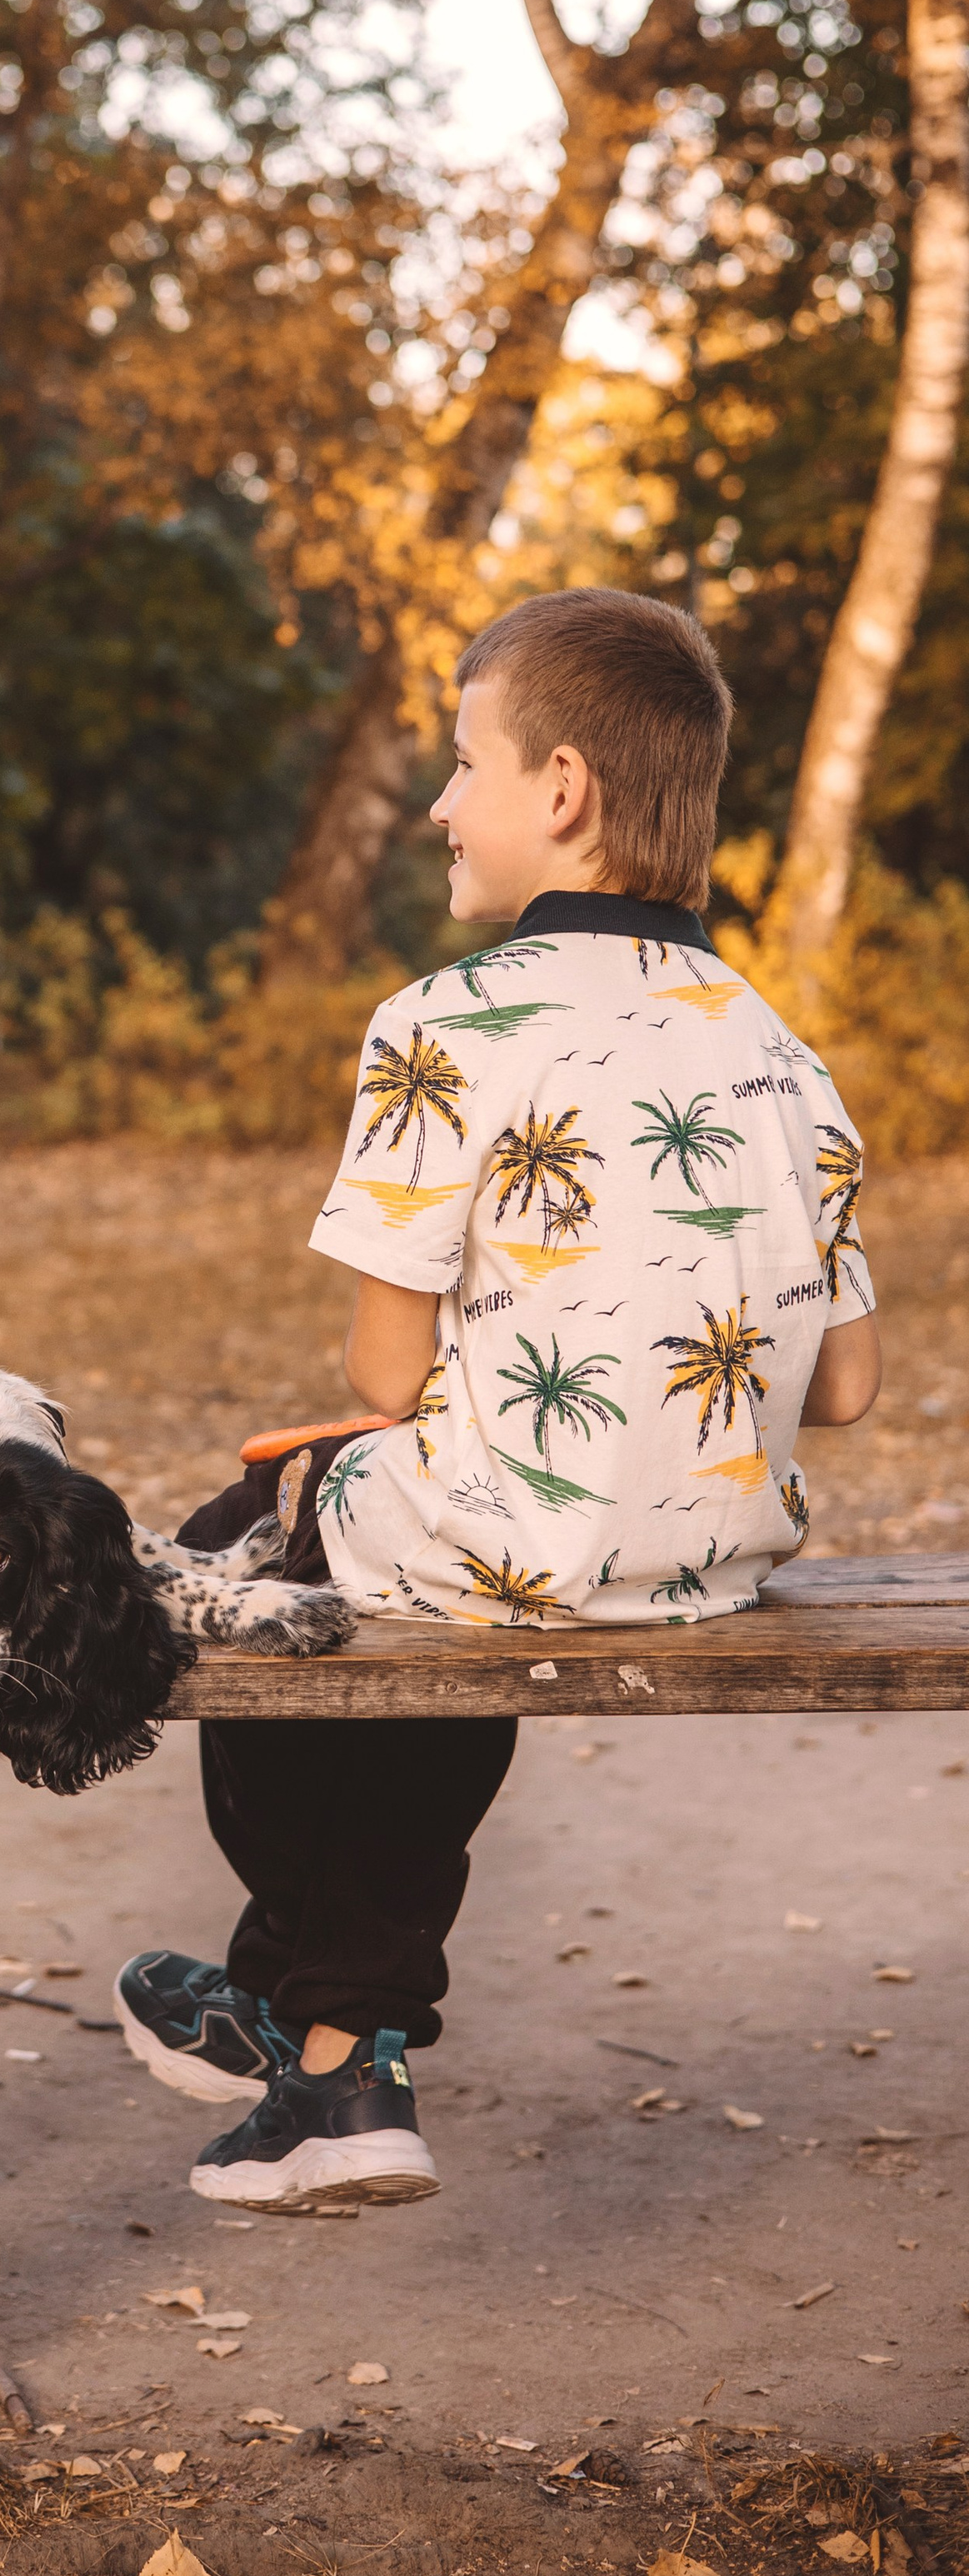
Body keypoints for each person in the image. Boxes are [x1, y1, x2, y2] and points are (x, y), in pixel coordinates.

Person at [116, 587, 882, 2214]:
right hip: (712, 1556)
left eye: (458, 762)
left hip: (511, 1531)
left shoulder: (441, 1027)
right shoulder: (779, 1054)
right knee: (433, 1569)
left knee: (232, 1547)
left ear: (558, 790)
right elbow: (853, 1385)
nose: (435, 804)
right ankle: (330, 2051)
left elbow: (381, 1378)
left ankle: (324, 2027)